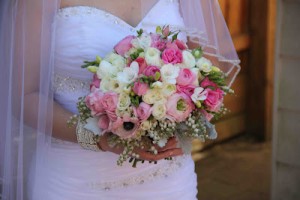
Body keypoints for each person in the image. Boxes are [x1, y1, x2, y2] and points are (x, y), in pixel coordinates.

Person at [0, 0, 240, 199]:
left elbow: (211, 77)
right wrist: (99, 139)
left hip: (168, 182)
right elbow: (23, 95)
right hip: (75, 181)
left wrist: (184, 127)